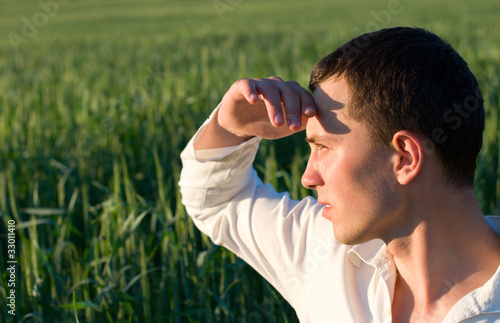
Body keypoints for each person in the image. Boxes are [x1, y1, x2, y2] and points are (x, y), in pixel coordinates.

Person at [179, 27, 500, 322]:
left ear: (404, 157)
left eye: (323, 148)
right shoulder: (325, 254)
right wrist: (230, 126)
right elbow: (217, 200)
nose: (308, 177)